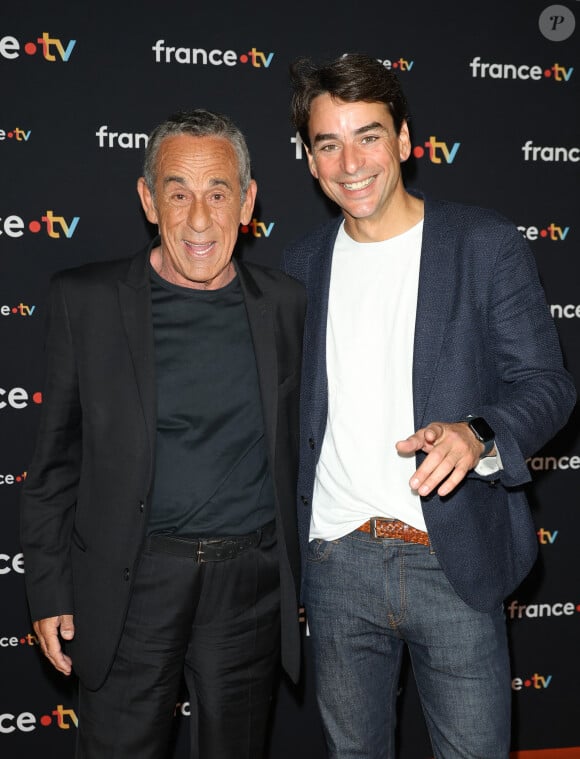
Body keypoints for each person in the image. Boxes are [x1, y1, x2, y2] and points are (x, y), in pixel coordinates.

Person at [281, 53, 576, 759]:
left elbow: (547, 383)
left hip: (452, 557)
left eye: (369, 135)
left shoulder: (483, 243)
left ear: (405, 140)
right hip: (336, 563)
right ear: (312, 161)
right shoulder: (299, 266)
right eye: (329, 143)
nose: (351, 161)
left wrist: (477, 434)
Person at [20, 108, 306, 759]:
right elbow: (54, 465)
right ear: (150, 199)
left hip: (248, 586)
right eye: (178, 193)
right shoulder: (84, 301)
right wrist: (50, 588)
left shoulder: (287, 305)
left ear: (248, 201)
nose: (198, 218)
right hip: (130, 581)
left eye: (218, 193)